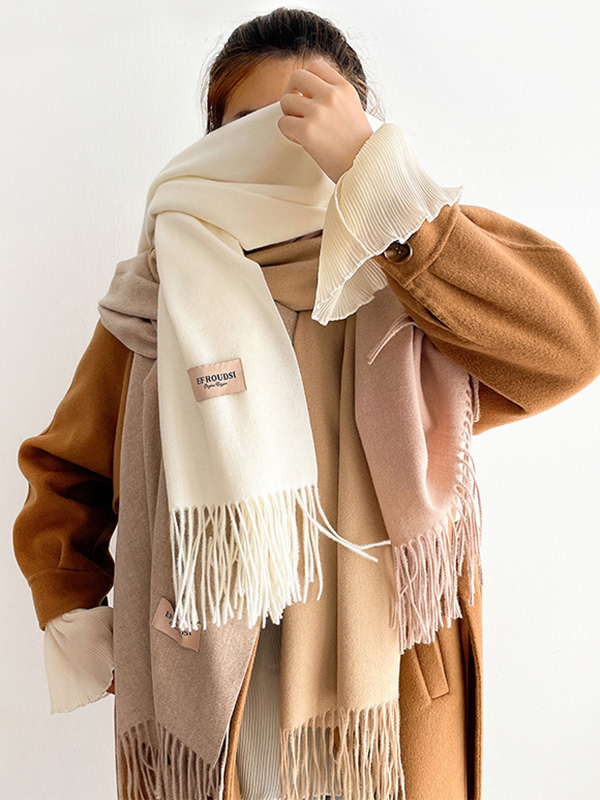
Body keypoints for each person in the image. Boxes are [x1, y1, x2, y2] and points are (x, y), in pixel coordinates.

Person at [12, 7, 600, 800]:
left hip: (388, 703)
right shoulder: (160, 295)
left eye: (307, 121)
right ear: (210, 142)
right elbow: (65, 473)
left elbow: (569, 347)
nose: (278, 147)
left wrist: (381, 186)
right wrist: (84, 614)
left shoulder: (415, 265)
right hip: (217, 706)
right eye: (248, 126)